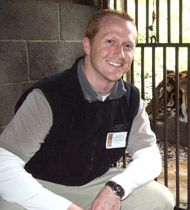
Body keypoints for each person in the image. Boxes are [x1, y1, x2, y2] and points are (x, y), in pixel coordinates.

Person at [0, 9, 174, 210]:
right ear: (87, 45)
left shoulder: (130, 99)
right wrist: (64, 207)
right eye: (110, 41)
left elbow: (150, 156)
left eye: (128, 45)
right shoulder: (49, 96)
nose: (120, 53)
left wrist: (117, 188)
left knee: (160, 199)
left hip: (95, 183)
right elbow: (4, 165)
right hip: (41, 184)